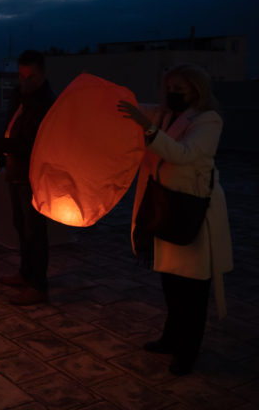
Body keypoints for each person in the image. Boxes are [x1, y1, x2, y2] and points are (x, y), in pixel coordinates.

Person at [117, 64, 232, 376]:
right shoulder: (164, 113)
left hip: (192, 212)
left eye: (179, 89)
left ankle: (187, 351)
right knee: (171, 281)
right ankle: (171, 338)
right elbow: (128, 109)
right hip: (166, 206)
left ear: (196, 90)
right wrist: (101, 97)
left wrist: (148, 128)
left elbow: (183, 153)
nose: (172, 94)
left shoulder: (209, 120)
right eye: (169, 88)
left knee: (192, 289)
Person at [0, 50, 55, 305]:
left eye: (31, 77)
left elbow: (28, 142)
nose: (25, 81)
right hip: (16, 172)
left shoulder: (45, 103)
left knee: (34, 231)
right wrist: (0, 156)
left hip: (33, 175)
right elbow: (10, 127)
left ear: (42, 74)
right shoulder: (21, 95)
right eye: (21, 76)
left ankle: (38, 285)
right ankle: (25, 274)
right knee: (21, 226)